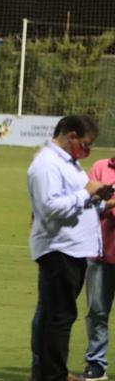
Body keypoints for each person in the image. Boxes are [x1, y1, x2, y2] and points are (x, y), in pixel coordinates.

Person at [27, 115, 114, 381]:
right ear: (71, 135)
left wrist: (98, 200)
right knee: (59, 317)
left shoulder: (68, 164)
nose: (87, 151)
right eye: (85, 144)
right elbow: (50, 208)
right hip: (59, 249)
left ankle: (49, 372)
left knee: (57, 314)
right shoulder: (46, 164)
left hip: (72, 249)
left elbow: (74, 203)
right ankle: (52, 374)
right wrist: (87, 192)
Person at [82, 156, 115, 381]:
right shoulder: (100, 167)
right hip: (100, 252)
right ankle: (96, 364)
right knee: (97, 311)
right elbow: (85, 204)